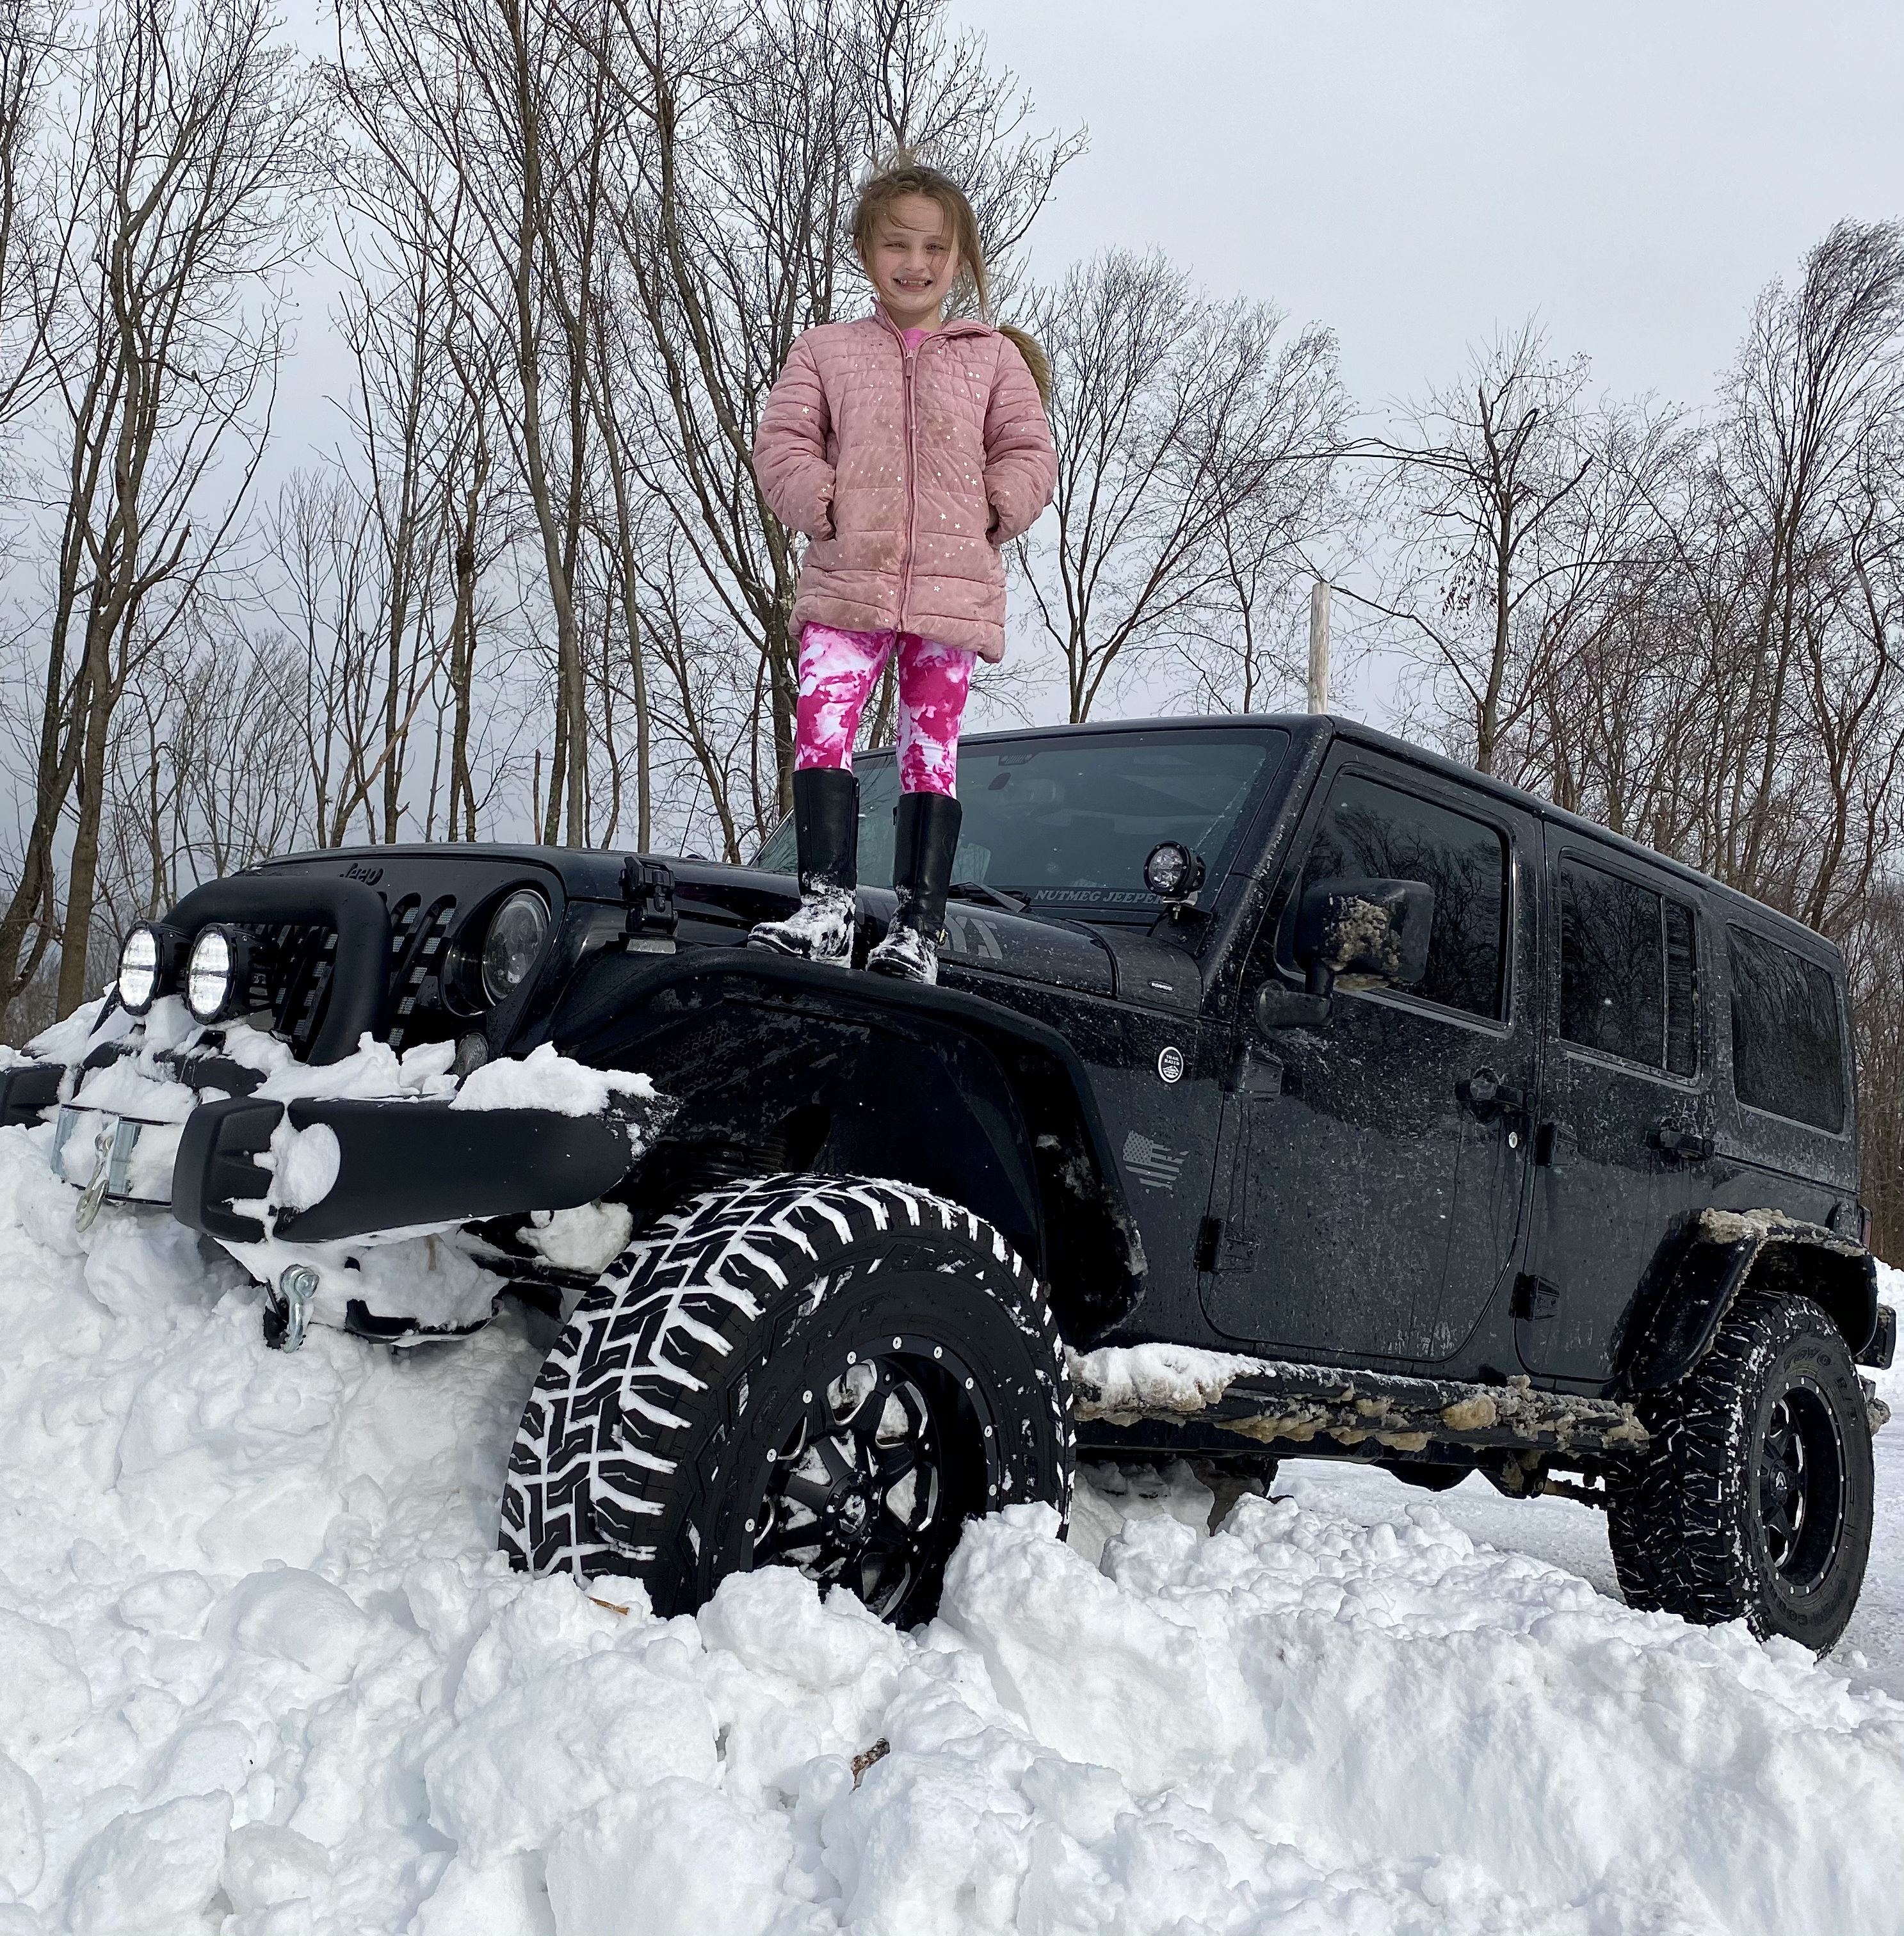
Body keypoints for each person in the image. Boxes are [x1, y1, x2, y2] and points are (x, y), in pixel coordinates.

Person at [747, 159, 1058, 984]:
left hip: (951, 590)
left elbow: (1029, 451)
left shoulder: (993, 360)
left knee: (931, 750)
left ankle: (917, 929)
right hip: (851, 576)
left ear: (958, 261)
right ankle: (824, 908)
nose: (913, 262)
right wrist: (827, 506)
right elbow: (782, 443)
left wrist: (995, 510)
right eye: (896, 244)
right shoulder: (826, 351)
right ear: (865, 252)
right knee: (824, 729)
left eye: (932, 247)